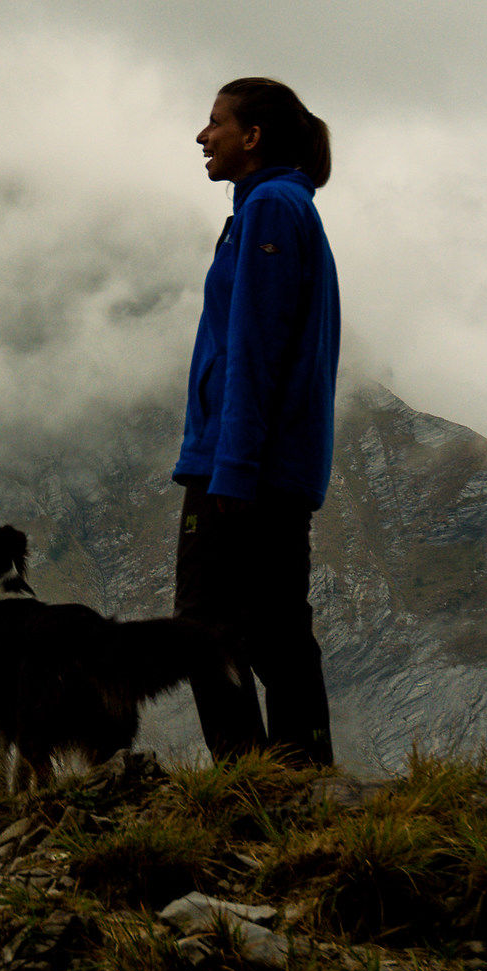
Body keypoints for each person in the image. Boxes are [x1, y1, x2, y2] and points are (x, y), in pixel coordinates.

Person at [172, 76, 342, 767]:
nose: (202, 136)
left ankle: (249, 780)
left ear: (254, 136)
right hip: (272, 465)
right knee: (276, 630)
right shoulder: (272, 208)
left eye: (216, 123)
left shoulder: (271, 208)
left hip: (244, 466)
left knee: (205, 628)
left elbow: (256, 348)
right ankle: (304, 776)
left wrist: (232, 472)